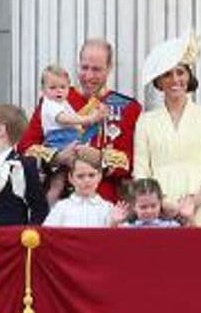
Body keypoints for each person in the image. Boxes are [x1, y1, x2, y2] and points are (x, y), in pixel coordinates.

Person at [19, 38, 139, 203]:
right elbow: (26, 147)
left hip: (104, 201)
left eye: (96, 69)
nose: (89, 76)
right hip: (62, 200)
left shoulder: (127, 108)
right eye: (85, 68)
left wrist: (100, 158)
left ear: (109, 68)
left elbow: (131, 160)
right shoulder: (54, 100)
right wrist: (58, 157)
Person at [132, 35, 201, 226]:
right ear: (159, 82)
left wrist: (195, 202)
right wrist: (162, 203)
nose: (175, 79)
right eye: (167, 74)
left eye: (180, 72)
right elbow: (140, 171)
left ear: (188, 76)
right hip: (156, 211)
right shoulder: (145, 121)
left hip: (198, 207)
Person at [41, 148, 123, 228]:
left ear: (100, 176)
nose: (86, 180)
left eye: (91, 175)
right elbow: (48, 235)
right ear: (71, 178)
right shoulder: (61, 208)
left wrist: (114, 223)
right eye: (80, 176)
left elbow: (112, 239)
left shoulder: (107, 208)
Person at [32, 64, 88, 153]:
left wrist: (79, 127)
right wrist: (87, 119)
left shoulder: (64, 103)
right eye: (52, 88)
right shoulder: (49, 104)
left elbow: (74, 119)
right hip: (57, 140)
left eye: (63, 87)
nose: (59, 91)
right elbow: (63, 119)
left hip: (71, 137)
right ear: (43, 90)